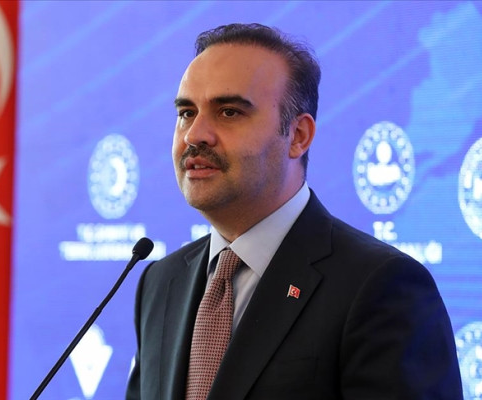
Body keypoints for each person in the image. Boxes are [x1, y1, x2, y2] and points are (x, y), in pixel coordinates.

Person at [126, 23, 462, 400]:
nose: (195, 135)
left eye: (229, 112)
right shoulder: (160, 282)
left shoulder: (381, 286)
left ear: (298, 136)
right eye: (187, 113)